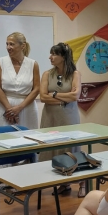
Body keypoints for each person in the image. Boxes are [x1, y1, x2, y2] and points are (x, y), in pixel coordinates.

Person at [38, 43, 84, 197]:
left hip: (68, 118)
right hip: (50, 117)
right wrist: (63, 98)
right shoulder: (46, 74)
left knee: (71, 149)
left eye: (54, 54)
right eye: (50, 54)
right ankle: (63, 183)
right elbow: (43, 97)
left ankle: (82, 182)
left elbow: (75, 96)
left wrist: (53, 94)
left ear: (63, 57)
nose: (50, 57)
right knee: (51, 148)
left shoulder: (75, 74)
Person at [0, 32, 40, 129]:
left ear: (22, 46)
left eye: (11, 44)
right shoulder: (0, 62)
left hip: (27, 107)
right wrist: (9, 110)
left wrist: (19, 108)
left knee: (28, 139)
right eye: (7, 44)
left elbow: (36, 89)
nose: (8, 47)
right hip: (4, 107)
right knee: (4, 137)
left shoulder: (33, 64)